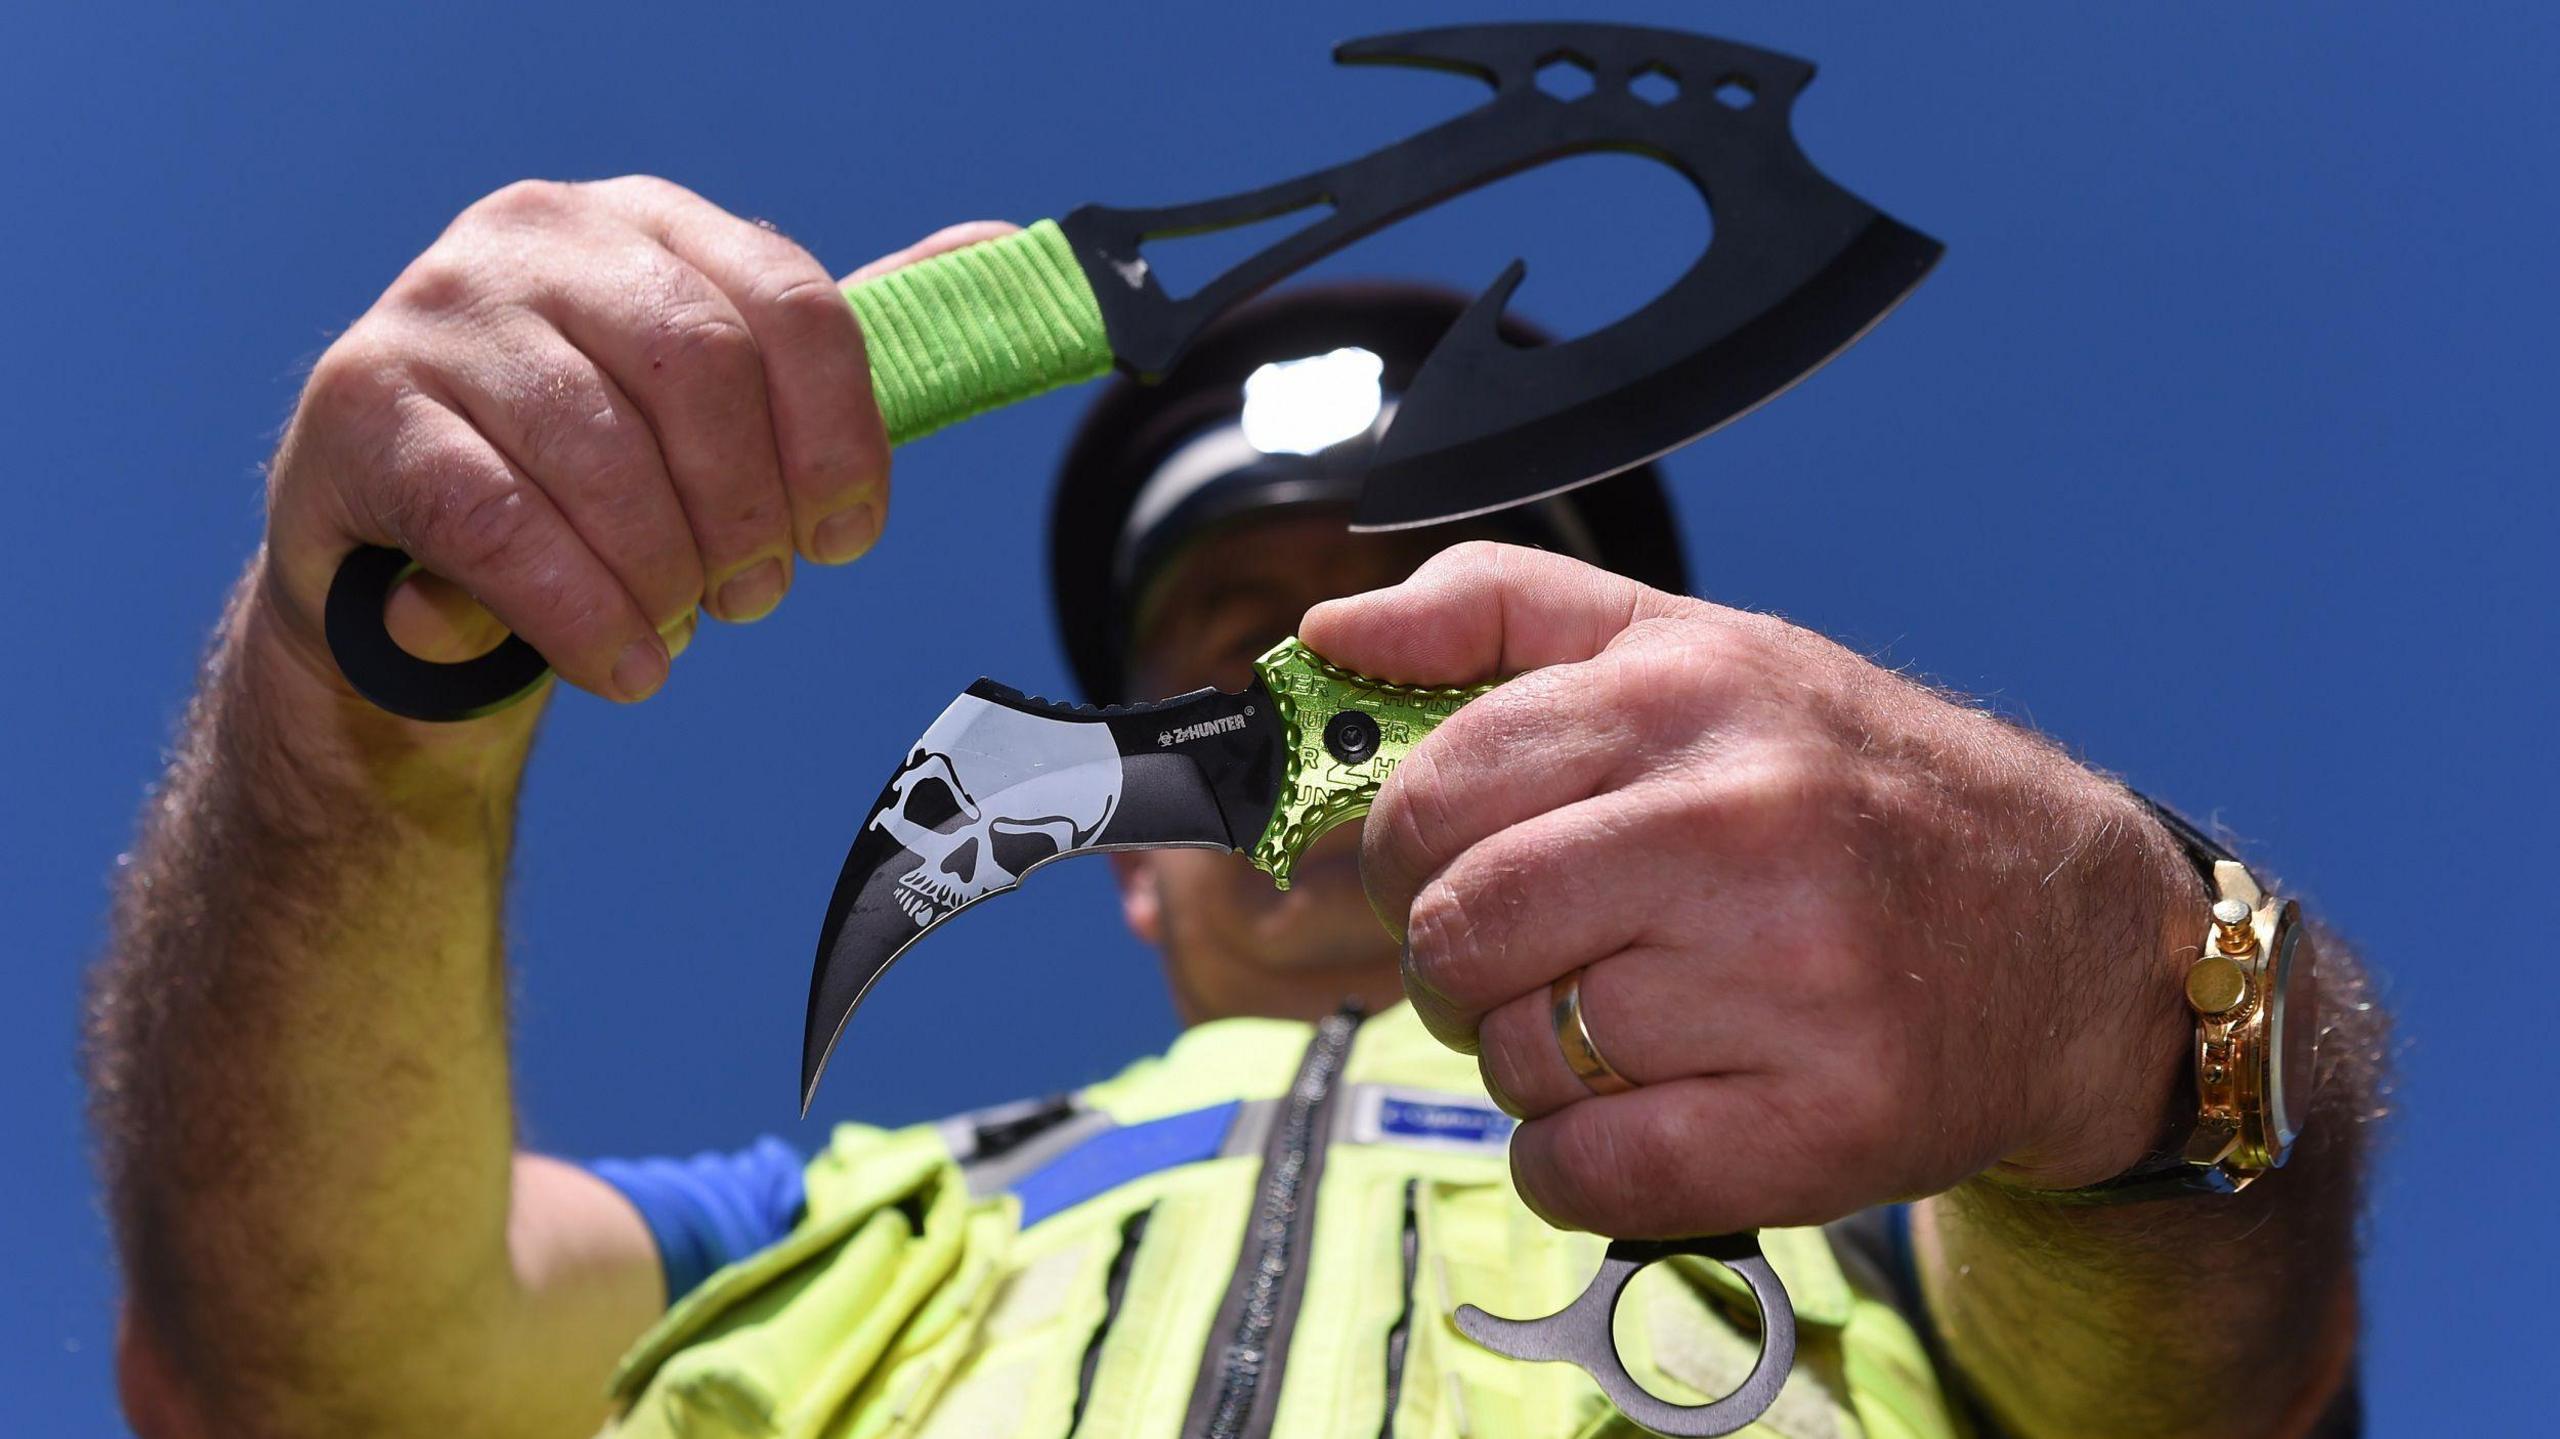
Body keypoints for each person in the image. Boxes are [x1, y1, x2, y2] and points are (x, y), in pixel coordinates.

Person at [85, 180, 2385, 1439]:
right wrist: (355, 718)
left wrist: (2122, 988)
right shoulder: (812, 1226)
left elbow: (2228, 1382)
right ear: (1119, 879)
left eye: (1425, 599)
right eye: (1229, 626)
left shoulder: (1906, 1207)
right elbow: (296, 1366)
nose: (1322, 666)